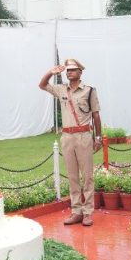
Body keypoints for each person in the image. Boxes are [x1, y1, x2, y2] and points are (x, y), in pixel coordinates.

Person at [39, 58, 101, 227]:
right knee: (72, 176)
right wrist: (50, 72)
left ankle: (87, 213)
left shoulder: (89, 90)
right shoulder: (61, 89)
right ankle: (76, 211)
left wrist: (98, 137)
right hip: (67, 137)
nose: (69, 72)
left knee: (87, 176)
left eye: (73, 70)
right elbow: (42, 85)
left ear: (80, 72)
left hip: (83, 136)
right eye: (68, 70)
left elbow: (96, 115)